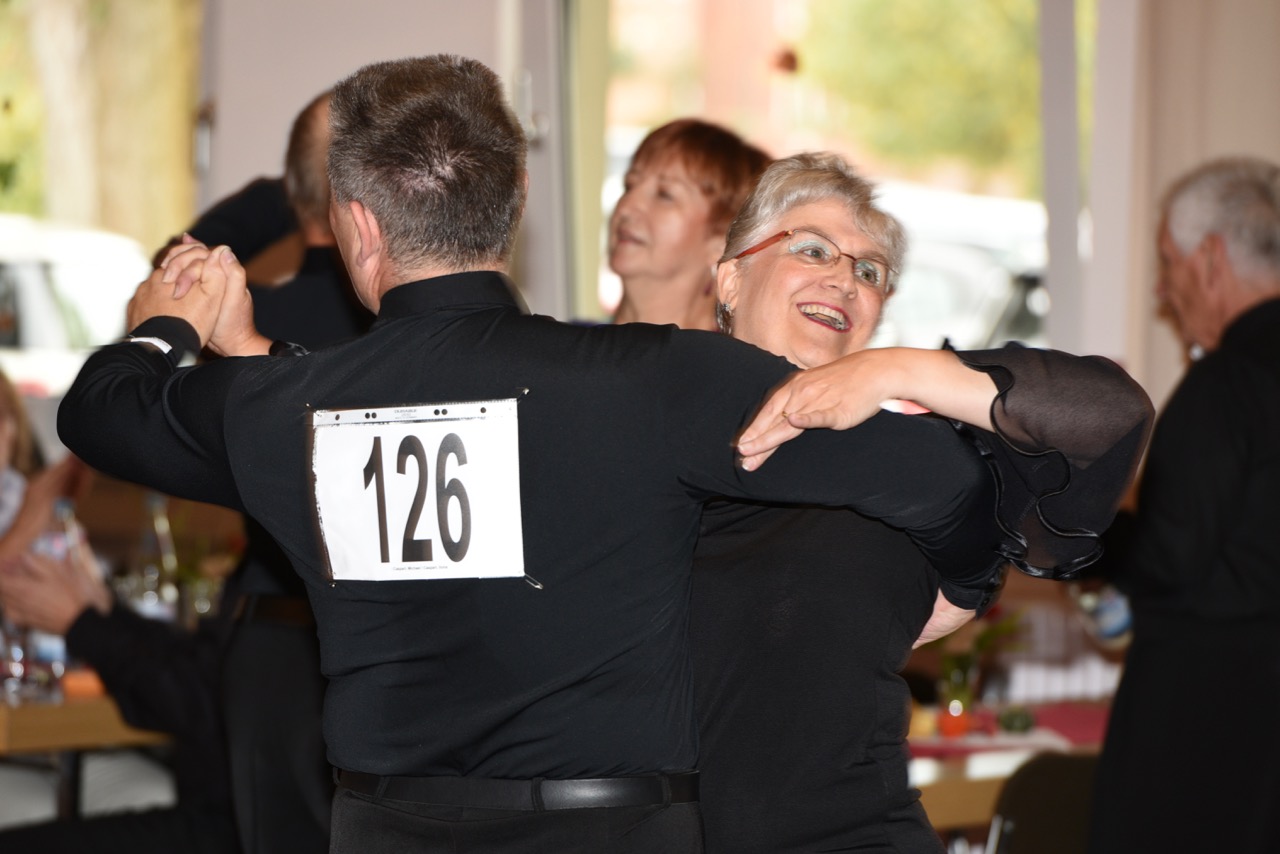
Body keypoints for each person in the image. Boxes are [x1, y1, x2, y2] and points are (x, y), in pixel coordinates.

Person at [58, 55, 1115, 854]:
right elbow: (954, 488)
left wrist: (168, 326)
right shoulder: (646, 380)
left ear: (358, 230)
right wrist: (960, 571)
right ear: (512, 208)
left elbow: (102, 411)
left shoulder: (298, 408)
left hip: (383, 829)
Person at [685, 152, 1154, 853]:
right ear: (730, 278)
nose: (844, 278)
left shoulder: (918, 455)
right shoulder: (656, 428)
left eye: (870, 272)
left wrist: (894, 369)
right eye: (812, 249)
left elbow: (1111, 417)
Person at [1087, 157, 1280, 854]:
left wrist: (1080, 525)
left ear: (1211, 258)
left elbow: (1166, 559)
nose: (1163, 291)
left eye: (1168, 263)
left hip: (1209, 723)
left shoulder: (1226, 384)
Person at [608, 119, 769, 329]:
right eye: (629, 186)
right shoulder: (570, 344)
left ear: (722, 243)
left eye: (664, 195)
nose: (626, 207)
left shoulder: (737, 352)